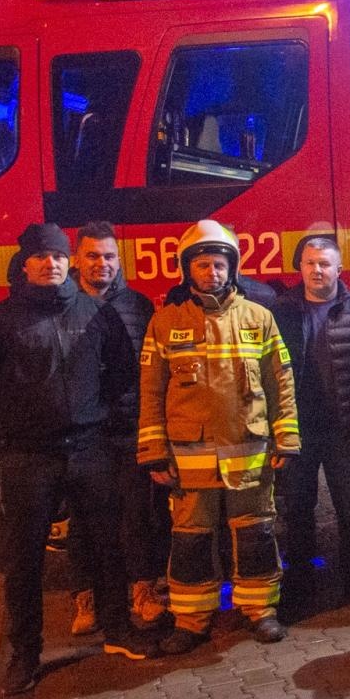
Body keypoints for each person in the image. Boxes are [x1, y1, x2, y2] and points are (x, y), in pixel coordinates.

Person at [0, 223, 150, 694]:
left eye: (58, 257)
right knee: (24, 559)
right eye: (42, 257)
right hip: (27, 457)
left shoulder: (97, 314)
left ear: (67, 261)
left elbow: (121, 373)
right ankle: (25, 654)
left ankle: (118, 630)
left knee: (106, 544)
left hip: (89, 450)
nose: (52, 264)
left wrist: (92, 413)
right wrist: (17, 419)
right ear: (26, 264)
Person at [138, 220, 300, 654]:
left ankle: (260, 610)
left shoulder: (258, 318)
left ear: (233, 268)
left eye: (219, 264)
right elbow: (151, 389)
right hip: (189, 461)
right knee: (190, 539)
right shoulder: (165, 323)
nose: (212, 272)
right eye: (204, 265)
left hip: (250, 453)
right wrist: (154, 452)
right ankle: (191, 619)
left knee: (256, 534)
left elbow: (280, 380)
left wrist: (286, 438)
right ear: (187, 270)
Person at [271, 236, 350, 615]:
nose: (317, 270)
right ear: (300, 268)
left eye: (325, 263)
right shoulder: (278, 311)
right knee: (298, 511)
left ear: (339, 269)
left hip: (345, 430)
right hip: (297, 431)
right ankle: (300, 584)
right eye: (310, 263)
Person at [72, 222, 165, 631]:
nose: (102, 264)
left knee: (136, 514)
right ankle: (85, 599)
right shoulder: (66, 305)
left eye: (109, 256)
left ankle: (143, 589)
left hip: (129, 427)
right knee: (83, 516)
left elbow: (154, 370)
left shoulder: (139, 306)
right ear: (78, 260)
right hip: (82, 434)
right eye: (93, 256)